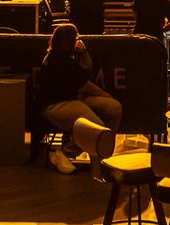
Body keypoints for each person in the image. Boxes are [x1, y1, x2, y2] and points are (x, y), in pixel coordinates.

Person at [38, 23, 121, 174]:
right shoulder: (59, 60)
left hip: (75, 98)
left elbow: (87, 66)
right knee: (96, 127)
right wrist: (105, 94)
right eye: (75, 37)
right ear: (69, 41)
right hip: (57, 104)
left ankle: (102, 153)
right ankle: (64, 153)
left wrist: (83, 51)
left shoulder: (67, 56)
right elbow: (85, 85)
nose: (78, 40)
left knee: (114, 108)